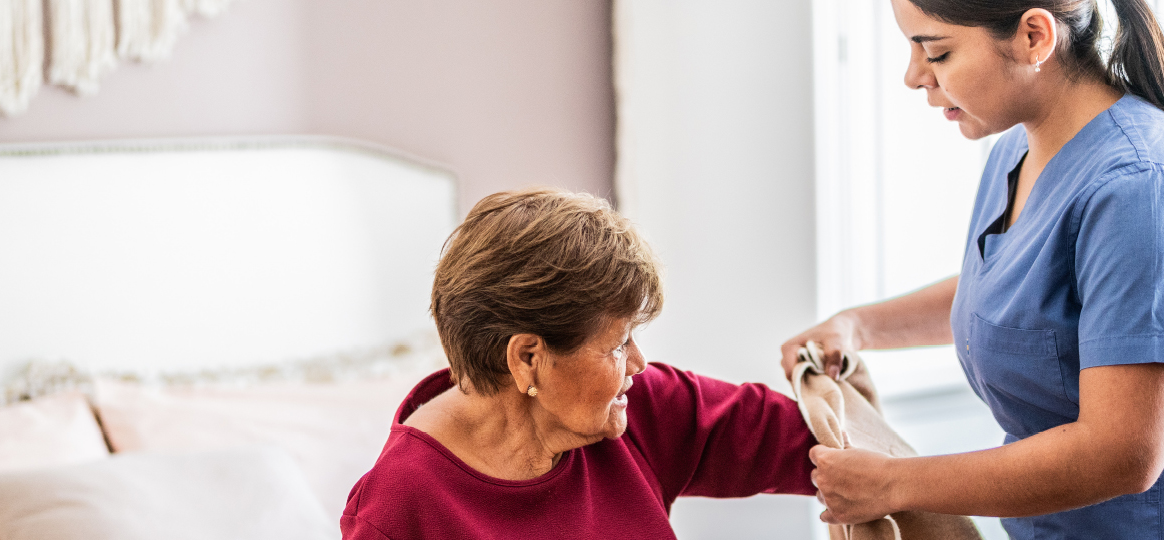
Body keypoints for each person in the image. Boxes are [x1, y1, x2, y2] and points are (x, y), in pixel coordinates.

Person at [784, 0, 1164, 538]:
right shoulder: (1016, 152)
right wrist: (857, 327)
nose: (914, 77)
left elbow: (1122, 453)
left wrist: (894, 483)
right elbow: (1020, 293)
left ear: (1033, 37)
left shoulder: (1143, 187)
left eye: (937, 52)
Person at [341, 188, 823, 539]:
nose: (638, 362)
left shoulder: (637, 405)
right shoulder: (398, 509)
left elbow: (825, 445)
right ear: (528, 359)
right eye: (618, 344)